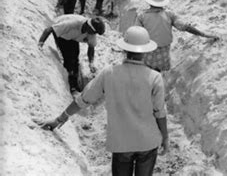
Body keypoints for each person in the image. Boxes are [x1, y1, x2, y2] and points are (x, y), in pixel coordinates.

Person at [40, 26, 168, 176]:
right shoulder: (154, 77)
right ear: (146, 50)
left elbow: (83, 100)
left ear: (124, 49)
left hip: (121, 142)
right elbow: (160, 112)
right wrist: (165, 137)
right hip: (148, 142)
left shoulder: (109, 73)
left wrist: (59, 119)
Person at [135, 0, 219, 72]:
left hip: (149, 53)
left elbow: (136, 35)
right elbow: (185, 27)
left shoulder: (142, 16)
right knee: (160, 73)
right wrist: (204, 34)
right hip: (164, 54)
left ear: (149, 2)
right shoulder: (169, 14)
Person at [38, 15, 105, 92]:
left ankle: (75, 82)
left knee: (75, 57)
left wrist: (91, 63)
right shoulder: (71, 24)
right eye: (93, 32)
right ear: (89, 27)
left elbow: (91, 47)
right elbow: (49, 29)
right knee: (68, 59)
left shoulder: (91, 33)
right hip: (63, 35)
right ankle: (70, 83)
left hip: (74, 37)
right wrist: (41, 43)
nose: (94, 34)